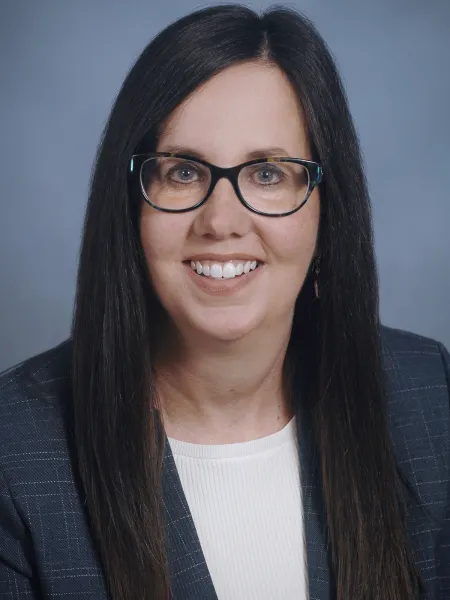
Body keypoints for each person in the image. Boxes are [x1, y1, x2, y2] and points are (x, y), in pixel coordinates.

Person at [0, 4, 449, 600]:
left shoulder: (432, 397)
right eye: (183, 171)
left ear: (326, 208)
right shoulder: (14, 452)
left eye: (267, 174)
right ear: (131, 205)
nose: (221, 221)